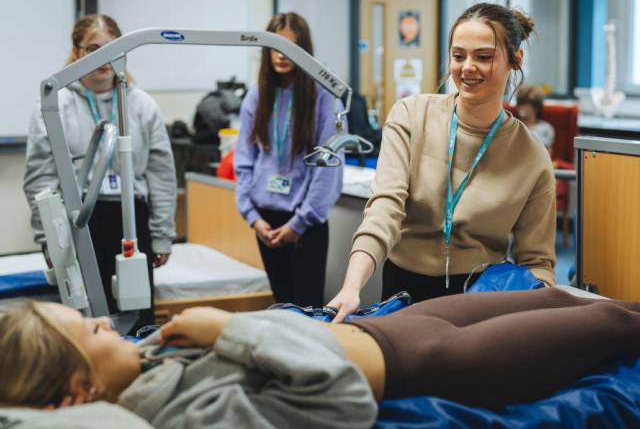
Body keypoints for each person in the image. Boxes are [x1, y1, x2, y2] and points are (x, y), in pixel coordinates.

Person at [3, 288, 640, 427]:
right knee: (610, 322)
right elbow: (339, 401)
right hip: (438, 359)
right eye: (90, 332)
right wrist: (229, 328)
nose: (103, 322)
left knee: (556, 294)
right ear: (76, 394)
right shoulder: (190, 418)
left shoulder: (145, 361)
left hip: (392, 324)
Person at [329, 3, 556, 322]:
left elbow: (537, 261)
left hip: (479, 300)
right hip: (403, 290)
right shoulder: (410, 115)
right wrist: (351, 286)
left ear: (515, 60)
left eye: (483, 56)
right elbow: (384, 210)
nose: (468, 67)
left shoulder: (531, 154)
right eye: (458, 55)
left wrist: (532, 315)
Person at [23, 14, 177, 329]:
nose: (104, 58)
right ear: (77, 52)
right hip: (78, 221)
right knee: (86, 323)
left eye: (112, 49)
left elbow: (161, 176)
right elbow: (40, 178)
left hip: (131, 219)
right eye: (94, 49)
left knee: (137, 316)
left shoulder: (142, 105)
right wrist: (48, 239)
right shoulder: (54, 105)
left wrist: (162, 236)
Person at [234, 12, 344, 307]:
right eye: (275, 46)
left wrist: (299, 223)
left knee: (307, 311)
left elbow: (327, 169)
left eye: (291, 47)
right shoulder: (256, 97)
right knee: (282, 307)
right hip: (265, 222)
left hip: (305, 225)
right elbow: (243, 162)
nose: (282, 55)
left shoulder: (325, 96)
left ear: (304, 50)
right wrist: (253, 218)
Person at [516, 85, 555, 156]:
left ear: (536, 107)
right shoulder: (513, 125)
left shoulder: (546, 128)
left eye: (526, 104)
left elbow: (547, 156)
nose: (521, 107)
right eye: (520, 103)